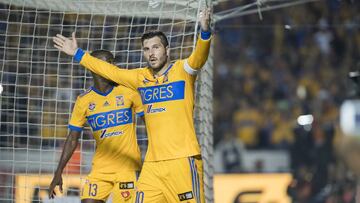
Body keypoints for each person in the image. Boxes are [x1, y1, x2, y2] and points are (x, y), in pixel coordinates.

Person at [53, 7, 211, 202]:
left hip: (182, 160)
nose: (151, 53)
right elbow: (109, 71)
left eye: (156, 47)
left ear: (167, 50)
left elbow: (200, 56)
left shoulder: (183, 71)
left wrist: (205, 31)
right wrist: (77, 54)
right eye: (146, 49)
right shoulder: (140, 77)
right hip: (153, 165)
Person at [48, 50, 144, 203]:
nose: (115, 65)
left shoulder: (128, 91)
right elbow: (72, 138)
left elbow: (150, 123)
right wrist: (58, 171)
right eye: (110, 62)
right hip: (100, 168)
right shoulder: (84, 100)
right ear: (95, 66)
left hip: (127, 168)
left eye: (114, 61)